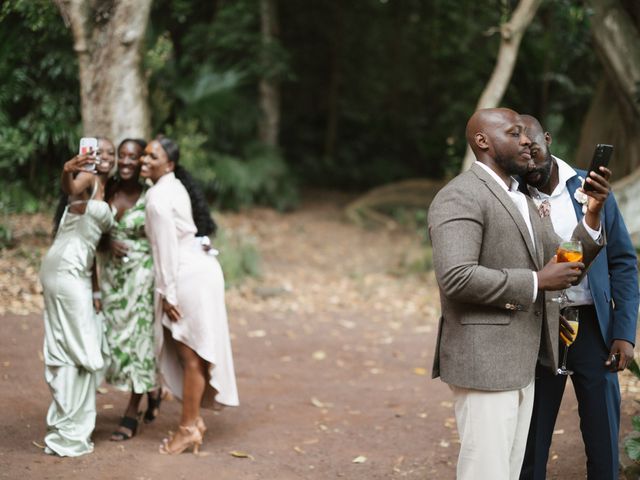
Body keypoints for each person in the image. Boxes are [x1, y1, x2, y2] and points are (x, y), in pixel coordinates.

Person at [427, 108, 610, 479]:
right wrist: (536, 282)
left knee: (510, 471)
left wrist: (591, 216)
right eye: (514, 133)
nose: (527, 139)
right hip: (485, 363)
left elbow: (560, 262)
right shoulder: (460, 196)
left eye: (526, 134)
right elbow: (456, 277)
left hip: (526, 362)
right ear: (483, 141)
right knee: (486, 471)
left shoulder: (520, 198)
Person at [518, 116, 639, 480]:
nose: (529, 162)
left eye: (534, 150)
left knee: (603, 436)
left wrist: (624, 332)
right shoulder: (512, 196)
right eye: (519, 156)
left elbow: (623, 263)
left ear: (548, 139)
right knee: (532, 437)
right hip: (540, 327)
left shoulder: (593, 188)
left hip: (592, 326)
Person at [139, 136, 239, 455]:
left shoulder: (157, 197)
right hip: (198, 270)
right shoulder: (172, 186)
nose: (144, 160)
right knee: (192, 353)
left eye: (152, 156)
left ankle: (187, 430)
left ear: (168, 164)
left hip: (186, 276)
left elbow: (166, 250)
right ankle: (193, 423)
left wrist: (167, 294)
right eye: (144, 154)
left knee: (190, 355)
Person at [39, 143, 115, 456]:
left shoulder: (110, 190)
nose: (108, 158)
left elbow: (94, 249)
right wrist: (68, 170)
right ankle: (70, 430)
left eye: (112, 153)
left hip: (76, 270)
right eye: (104, 152)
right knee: (81, 345)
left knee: (70, 343)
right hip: (66, 269)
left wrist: (96, 290)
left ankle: (66, 420)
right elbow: (69, 187)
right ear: (94, 156)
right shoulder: (88, 178)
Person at [97, 138, 162, 441]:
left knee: (139, 340)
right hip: (111, 277)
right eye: (121, 156)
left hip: (141, 275)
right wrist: (107, 242)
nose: (124, 162)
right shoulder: (106, 188)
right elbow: (90, 227)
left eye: (132, 157)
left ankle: (131, 411)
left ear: (141, 162)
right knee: (114, 338)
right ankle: (153, 387)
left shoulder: (152, 196)